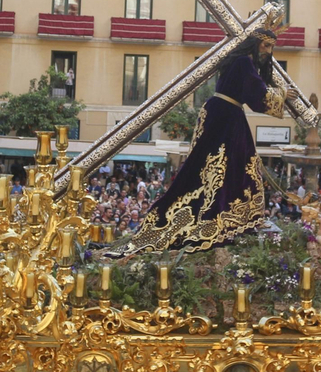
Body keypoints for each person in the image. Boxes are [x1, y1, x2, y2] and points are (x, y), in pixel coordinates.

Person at [121, 25, 296, 255]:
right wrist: (282, 93)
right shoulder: (244, 62)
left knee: (225, 165)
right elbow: (256, 95)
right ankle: (226, 216)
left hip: (221, 113)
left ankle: (236, 214)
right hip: (226, 116)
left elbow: (253, 88)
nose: (268, 51)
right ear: (255, 43)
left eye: (272, 47)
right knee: (234, 165)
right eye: (266, 45)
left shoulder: (240, 61)